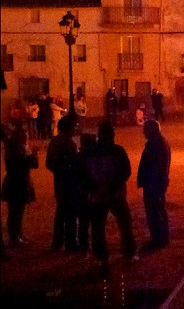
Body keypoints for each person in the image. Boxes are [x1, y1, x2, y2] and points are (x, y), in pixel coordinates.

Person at [88, 120, 137, 270]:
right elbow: (126, 171)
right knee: (124, 223)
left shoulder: (92, 151)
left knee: (98, 226)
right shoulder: (118, 151)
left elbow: (84, 172)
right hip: (115, 194)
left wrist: (94, 187)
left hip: (98, 195)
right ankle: (128, 253)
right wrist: (113, 186)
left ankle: (101, 257)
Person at [45, 112, 80, 252]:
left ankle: (57, 242)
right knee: (71, 213)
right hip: (70, 183)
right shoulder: (69, 144)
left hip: (59, 182)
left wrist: (58, 171)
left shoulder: (54, 142)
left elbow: (49, 163)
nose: (76, 129)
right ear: (69, 128)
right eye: (74, 126)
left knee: (60, 213)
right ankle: (71, 243)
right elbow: (75, 164)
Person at [137, 118, 171, 250]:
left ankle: (158, 239)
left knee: (154, 211)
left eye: (145, 130)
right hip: (157, 181)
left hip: (154, 183)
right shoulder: (159, 142)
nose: (143, 133)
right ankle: (163, 237)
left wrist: (149, 180)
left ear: (152, 130)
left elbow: (154, 165)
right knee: (159, 209)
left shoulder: (155, 145)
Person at [1, 125, 38, 247]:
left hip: (23, 182)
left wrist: (33, 155)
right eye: (24, 136)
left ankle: (19, 234)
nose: (27, 138)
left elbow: (34, 165)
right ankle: (13, 237)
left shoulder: (22, 148)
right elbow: (18, 166)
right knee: (14, 211)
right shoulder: (13, 151)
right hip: (15, 183)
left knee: (20, 210)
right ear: (18, 137)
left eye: (26, 135)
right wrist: (32, 155)